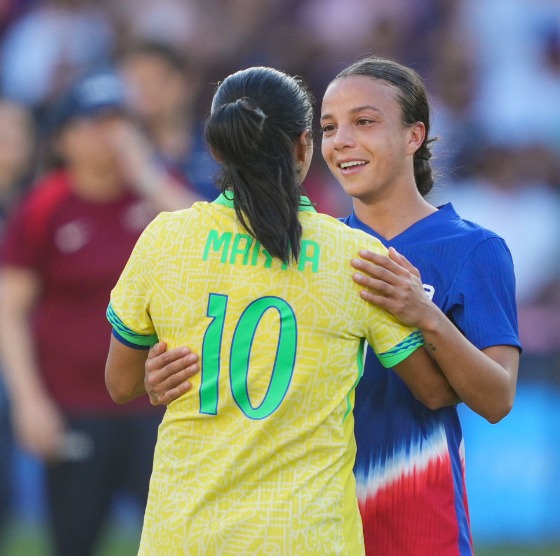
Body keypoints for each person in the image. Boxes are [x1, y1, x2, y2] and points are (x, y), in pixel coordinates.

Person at [144, 56, 522, 556]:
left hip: (416, 509)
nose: (341, 140)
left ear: (415, 136)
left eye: (364, 122)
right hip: (309, 517)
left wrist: (424, 313)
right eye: (328, 127)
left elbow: (497, 399)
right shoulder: (307, 246)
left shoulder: (473, 249)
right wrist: (165, 372)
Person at [0, 70, 196, 556]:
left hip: (159, 403)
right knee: (74, 538)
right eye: (94, 123)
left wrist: (145, 171)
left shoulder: (156, 190)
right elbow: (9, 309)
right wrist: (29, 401)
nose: (107, 136)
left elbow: (208, 243)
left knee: (179, 538)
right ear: (65, 138)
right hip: (74, 405)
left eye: (118, 122)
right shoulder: (45, 204)